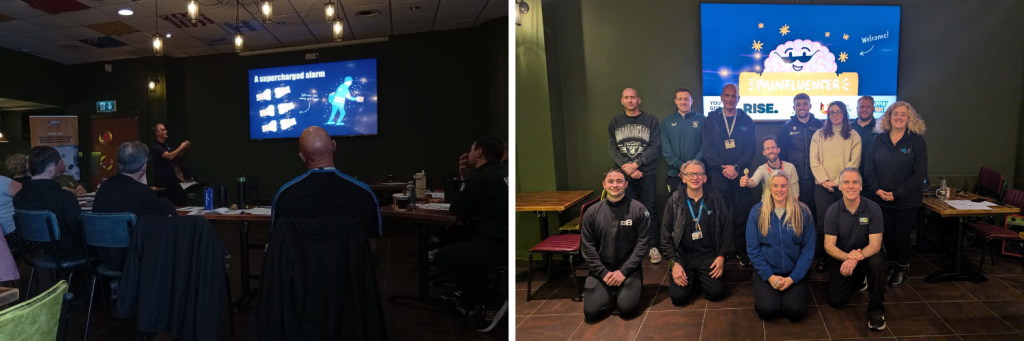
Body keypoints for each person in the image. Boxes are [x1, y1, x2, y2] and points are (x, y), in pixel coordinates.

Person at [257, 126, 386, 340]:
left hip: (298, 291)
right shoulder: (364, 193)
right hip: (350, 291)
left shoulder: (284, 196)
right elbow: (371, 245)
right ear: (334, 146)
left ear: (301, 156)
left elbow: (279, 244)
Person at [437, 135, 509, 332]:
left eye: (470, 150)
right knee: (455, 235)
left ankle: (493, 301)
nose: (467, 154)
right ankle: (470, 296)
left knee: (443, 257)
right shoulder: (504, 172)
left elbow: (456, 209)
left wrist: (464, 178)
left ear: (478, 152)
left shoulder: (481, 178)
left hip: (499, 245)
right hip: (505, 239)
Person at [863, 101, 928, 288]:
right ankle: (891, 264)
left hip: (906, 201)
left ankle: (902, 267)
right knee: (887, 235)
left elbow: (919, 175)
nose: (899, 117)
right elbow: (869, 169)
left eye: (903, 114)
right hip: (882, 199)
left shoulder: (916, 141)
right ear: (889, 117)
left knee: (901, 235)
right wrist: (877, 189)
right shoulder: (878, 140)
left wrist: (897, 194)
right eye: (895, 114)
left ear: (909, 118)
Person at [93, 142, 177, 271]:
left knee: (164, 203)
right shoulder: (142, 192)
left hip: (104, 257)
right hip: (134, 259)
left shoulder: (104, 187)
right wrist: (144, 185)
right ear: (144, 166)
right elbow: (171, 224)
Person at [581, 168, 650, 322]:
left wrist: (624, 271)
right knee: (591, 313)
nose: (615, 185)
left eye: (619, 181)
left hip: (629, 270)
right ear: (604, 184)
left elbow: (642, 246)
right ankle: (609, 290)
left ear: (626, 184)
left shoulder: (639, 210)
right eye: (611, 181)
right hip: (601, 271)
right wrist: (603, 273)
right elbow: (587, 247)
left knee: (627, 309)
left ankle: (624, 292)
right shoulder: (592, 212)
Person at [660, 160, 732, 304]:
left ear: (705, 178)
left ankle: (700, 277)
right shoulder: (674, 200)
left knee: (716, 293)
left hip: (708, 254)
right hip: (683, 257)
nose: (695, 177)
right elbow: (665, 237)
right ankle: (694, 276)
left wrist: (722, 256)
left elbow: (727, 228)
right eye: (690, 174)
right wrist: (674, 264)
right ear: (683, 178)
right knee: (679, 298)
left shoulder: (715, 197)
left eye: (699, 174)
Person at [824, 167, 887, 331]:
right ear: (840, 186)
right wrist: (848, 258)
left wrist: (854, 258)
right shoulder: (832, 211)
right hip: (844, 257)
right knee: (835, 300)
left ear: (860, 186)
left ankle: (876, 311)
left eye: (855, 182)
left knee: (877, 265)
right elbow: (829, 245)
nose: (850, 186)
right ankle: (859, 278)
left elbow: (875, 245)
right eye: (846, 182)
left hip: (868, 255)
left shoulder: (873, 208)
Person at [747, 171, 815, 321]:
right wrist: (770, 277)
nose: (779, 190)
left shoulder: (803, 212)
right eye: (775, 186)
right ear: (769, 188)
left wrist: (793, 278)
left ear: (789, 187)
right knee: (768, 311)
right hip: (768, 272)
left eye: (783, 186)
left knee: (795, 312)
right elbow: (753, 248)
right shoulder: (757, 212)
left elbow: (808, 250)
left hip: (794, 272)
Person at [701, 84, 755, 266]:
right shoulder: (711, 119)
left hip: (740, 176)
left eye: (734, 96)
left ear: (738, 99)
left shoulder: (747, 120)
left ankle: (741, 251)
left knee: (741, 214)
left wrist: (736, 167)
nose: (730, 99)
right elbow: (706, 148)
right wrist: (723, 167)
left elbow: (751, 149)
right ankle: (721, 252)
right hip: (718, 175)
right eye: (727, 95)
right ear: (721, 98)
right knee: (719, 215)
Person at [608, 88, 662, 263]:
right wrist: (628, 169)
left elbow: (654, 147)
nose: (630, 100)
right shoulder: (615, 121)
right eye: (626, 97)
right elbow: (612, 148)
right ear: (622, 101)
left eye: (633, 97)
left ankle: (653, 247)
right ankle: (630, 248)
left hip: (647, 173)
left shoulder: (650, 120)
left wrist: (636, 165)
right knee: (626, 210)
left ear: (639, 100)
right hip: (624, 176)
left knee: (650, 209)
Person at [809, 101, 861, 272]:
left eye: (839, 111)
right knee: (822, 223)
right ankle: (822, 256)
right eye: (832, 112)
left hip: (845, 188)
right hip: (822, 187)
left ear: (845, 114)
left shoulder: (854, 136)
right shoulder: (818, 135)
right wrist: (825, 181)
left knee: (846, 222)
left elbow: (854, 163)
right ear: (828, 115)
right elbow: (814, 161)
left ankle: (844, 256)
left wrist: (839, 182)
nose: (835, 115)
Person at [12, 146, 84, 257]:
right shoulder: (64, 197)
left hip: (38, 251)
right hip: (68, 252)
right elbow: (79, 230)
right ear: (52, 170)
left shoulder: (18, 197)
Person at [777, 93, 822, 235]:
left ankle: (815, 244)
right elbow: (782, 154)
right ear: (794, 107)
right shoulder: (787, 127)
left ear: (810, 106)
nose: (802, 107)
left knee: (816, 213)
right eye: (798, 104)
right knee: (796, 214)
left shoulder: (819, 125)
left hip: (817, 179)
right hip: (796, 179)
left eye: (805, 104)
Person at [661, 88, 705, 194]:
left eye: (686, 99)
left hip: (697, 175)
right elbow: (666, 150)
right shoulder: (667, 122)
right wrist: (681, 166)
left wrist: (690, 168)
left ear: (691, 101)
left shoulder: (703, 120)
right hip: (675, 174)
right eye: (680, 99)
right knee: (675, 203)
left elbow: (705, 147)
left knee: (697, 203)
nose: (683, 102)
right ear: (675, 101)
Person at [150, 124, 190, 206]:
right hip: (164, 181)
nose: (166, 131)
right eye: (163, 130)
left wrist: (184, 149)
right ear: (157, 133)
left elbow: (177, 156)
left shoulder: (167, 145)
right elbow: (170, 156)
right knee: (167, 203)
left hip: (173, 179)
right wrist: (181, 147)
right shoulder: (156, 147)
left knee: (177, 202)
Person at [851, 96, 879, 198]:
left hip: (873, 180)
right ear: (857, 108)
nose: (864, 109)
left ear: (873, 109)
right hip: (851, 178)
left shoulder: (881, 127)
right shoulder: (848, 127)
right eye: (862, 106)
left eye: (868, 107)